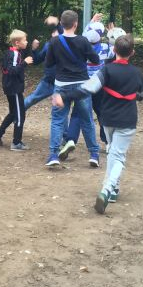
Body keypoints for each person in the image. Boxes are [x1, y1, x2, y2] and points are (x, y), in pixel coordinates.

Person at [53, 34, 143, 214]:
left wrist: (64, 97)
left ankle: (114, 190)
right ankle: (107, 189)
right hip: (127, 120)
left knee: (112, 151)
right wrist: (132, 95)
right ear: (132, 52)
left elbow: (87, 89)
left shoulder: (106, 70)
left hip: (108, 119)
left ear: (114, 50)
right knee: (118, 156)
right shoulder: (137, 73)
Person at [43, 10, 100, 168]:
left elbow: (48, 63)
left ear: (61, 24)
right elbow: (95, 60)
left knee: (58, 120)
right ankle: (94, 154)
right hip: (82, 85)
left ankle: (53, 154)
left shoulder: (54, 42)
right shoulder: (83, 41)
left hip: (61, 85)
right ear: (76, 24)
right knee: (87, 120)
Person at [65, 14, 115, 153]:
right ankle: (108, 142)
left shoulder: (80, 47)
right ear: (101, 36)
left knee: (77, 113)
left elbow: (81, 37)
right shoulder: (105, 48)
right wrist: (113, 33)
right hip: (100, 85)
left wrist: (90, 23)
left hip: (84, 84)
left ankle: (70, 139)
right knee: (102, 113)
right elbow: (117, 46)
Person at [0, 30, 33, 150]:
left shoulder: (12, 52)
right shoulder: (14, 54)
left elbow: (15, 64)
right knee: (20, 115)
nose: (27, 42)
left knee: (13, 113)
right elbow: (11, 71)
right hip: (14, 89)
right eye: (25, 40)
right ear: (17, 43)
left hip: (10, 87)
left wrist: (33, 49)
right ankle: (16, 143)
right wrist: (24, 63)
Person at [24, 16, 59, 110]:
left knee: (60, 109)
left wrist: (57, 22)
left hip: (63, 83)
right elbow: (36, 60)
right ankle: (15, 113)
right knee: (31, 99)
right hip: (49, 82)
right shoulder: (48, 45)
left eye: (58, 32)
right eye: (54, 32)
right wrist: (34, 49)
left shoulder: (69, 44)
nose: (55, 33)